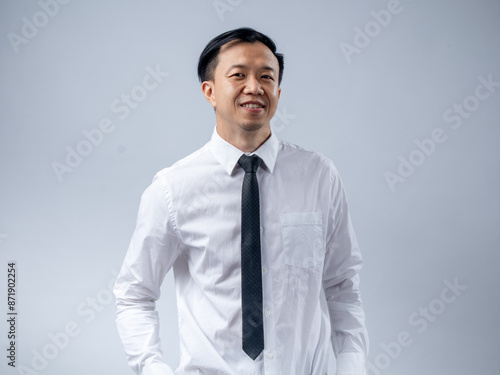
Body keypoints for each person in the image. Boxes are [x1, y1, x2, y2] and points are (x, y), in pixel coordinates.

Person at [114, 27, 368, 375]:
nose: (255, 87)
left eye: (266, 76)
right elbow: (134, 294)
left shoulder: (319, 176)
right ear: (210, 91)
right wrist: (152, 368)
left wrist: (351, 367)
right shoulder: (173, 189)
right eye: (238, 75)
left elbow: (342, 286)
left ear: (278, 91)